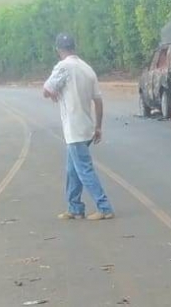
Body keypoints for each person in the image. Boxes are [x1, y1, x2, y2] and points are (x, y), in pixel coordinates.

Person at [43, 33, 114, 221]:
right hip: (87, 127)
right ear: (74, 47)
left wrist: (54, 94)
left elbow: (47, 90)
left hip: (74, 128)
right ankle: (74, 207)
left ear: (59, 50)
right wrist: (98, 127)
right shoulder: (87, 69)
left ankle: (104, 206)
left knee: (83, 169)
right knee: (72, 169)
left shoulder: (63, 67)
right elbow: (98, 101)